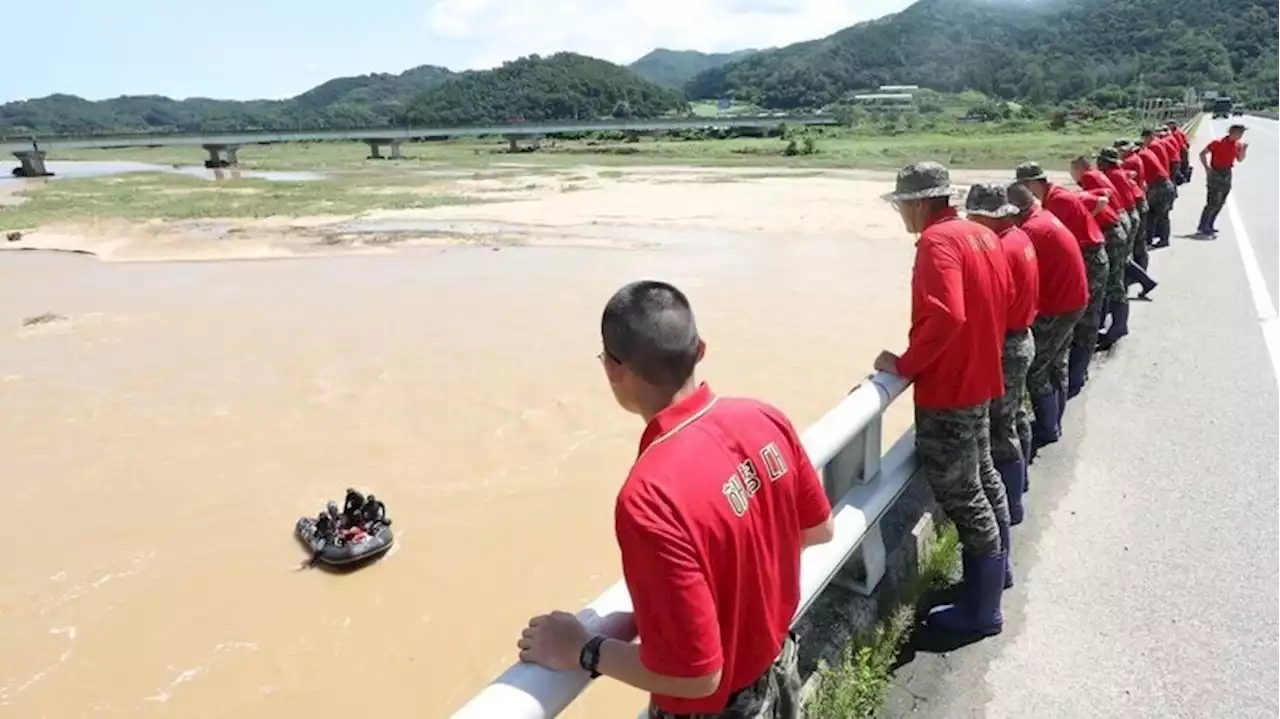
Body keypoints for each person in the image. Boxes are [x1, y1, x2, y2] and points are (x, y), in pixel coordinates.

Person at [516, 280, 834, 718]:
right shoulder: (764, 418)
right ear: (700, 349)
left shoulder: (650, 498)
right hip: (781, 670)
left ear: (613, 368)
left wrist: (582, 649)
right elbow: (819, 528)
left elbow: (694, 676)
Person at [873, 162, 1010, 636]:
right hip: (981, 378)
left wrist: (906, 364)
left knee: (965, 494)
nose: (902, 216)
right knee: (985, 478)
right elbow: (1003, 298)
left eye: (902, 207)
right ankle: (995, 579)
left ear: (917, 203)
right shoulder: (982, 235)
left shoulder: (936, 242)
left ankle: (983, 610)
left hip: (951, 390)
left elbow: (947, 315)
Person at [964, 183, 1038, 530]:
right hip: (1022, 337)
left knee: (1002, 430)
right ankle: (1019, 487)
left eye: (976, 219)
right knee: (1016, 416)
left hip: (1008, 345)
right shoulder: (1019, 238)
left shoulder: (1003, 248)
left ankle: (1014, 505)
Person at [1014, 161, 1107, 399]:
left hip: (1089, 257)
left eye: (1026, 185)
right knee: (1066, 342)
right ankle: (1071, 383)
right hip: (1083, 260)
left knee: (1084, 327)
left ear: (1034, 182)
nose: (1027, 191)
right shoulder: (1052, 200)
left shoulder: (1056, 202)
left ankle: (1076, 379)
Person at [1007, 182, 1087, 454]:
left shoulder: (1031, 230)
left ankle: (1048, 427)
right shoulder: (1043, 217)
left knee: (1038, 370)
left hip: (1059, 305)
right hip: (1073, 299)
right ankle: (1055, 419)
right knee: (1057, 362)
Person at [1069, 156, 1131, 349]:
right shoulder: (1095, 176)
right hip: (1116, 224)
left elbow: (1102, 199)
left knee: (1114, 283)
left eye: (1072, 171)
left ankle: (1118, 327)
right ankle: (1114, 323)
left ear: (1080, 168)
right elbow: (1108, 192)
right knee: (1115, 277)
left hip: (1111, 232)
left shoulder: (1088, 177)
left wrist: (1090, 215)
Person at [1098, 147, 1158, 303]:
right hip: (1132, 211)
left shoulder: (1110, 176)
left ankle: (1141, 282)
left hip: (1126, 214)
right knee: (1125, 255)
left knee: (1123, 257)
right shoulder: (1118, 173)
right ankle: (1145, 281)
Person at [1197, 123, 1249, 236]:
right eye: (1239, 133)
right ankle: (1203, 225)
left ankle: (1210, 224)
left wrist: (1243, 150)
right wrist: (1207, 168)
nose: (1241, 135)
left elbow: (1239, 159)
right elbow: (1202, 153)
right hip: (1216, 172)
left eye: (1242, 133)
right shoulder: (1217, 142)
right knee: (1212, 201)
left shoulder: (1238, 145)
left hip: (1227, 172)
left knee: (1221, 201)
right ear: (1232, 132)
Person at [1136, 129, 1176, 250]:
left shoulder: (1142, 155)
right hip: (1163, 184)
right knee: (1155, 214)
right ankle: (1154, 239)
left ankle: (1161, 239)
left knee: (1157, 214)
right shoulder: (1148, 151)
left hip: (1159, 186)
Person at [1116, 139, 1152, 270]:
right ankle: (1142, 269)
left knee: (1133, 243)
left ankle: (1139, 273)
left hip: (1136, 202)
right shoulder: (1135, 158)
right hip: (1139, 199)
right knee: (1139, 240)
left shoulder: (1129, 163)